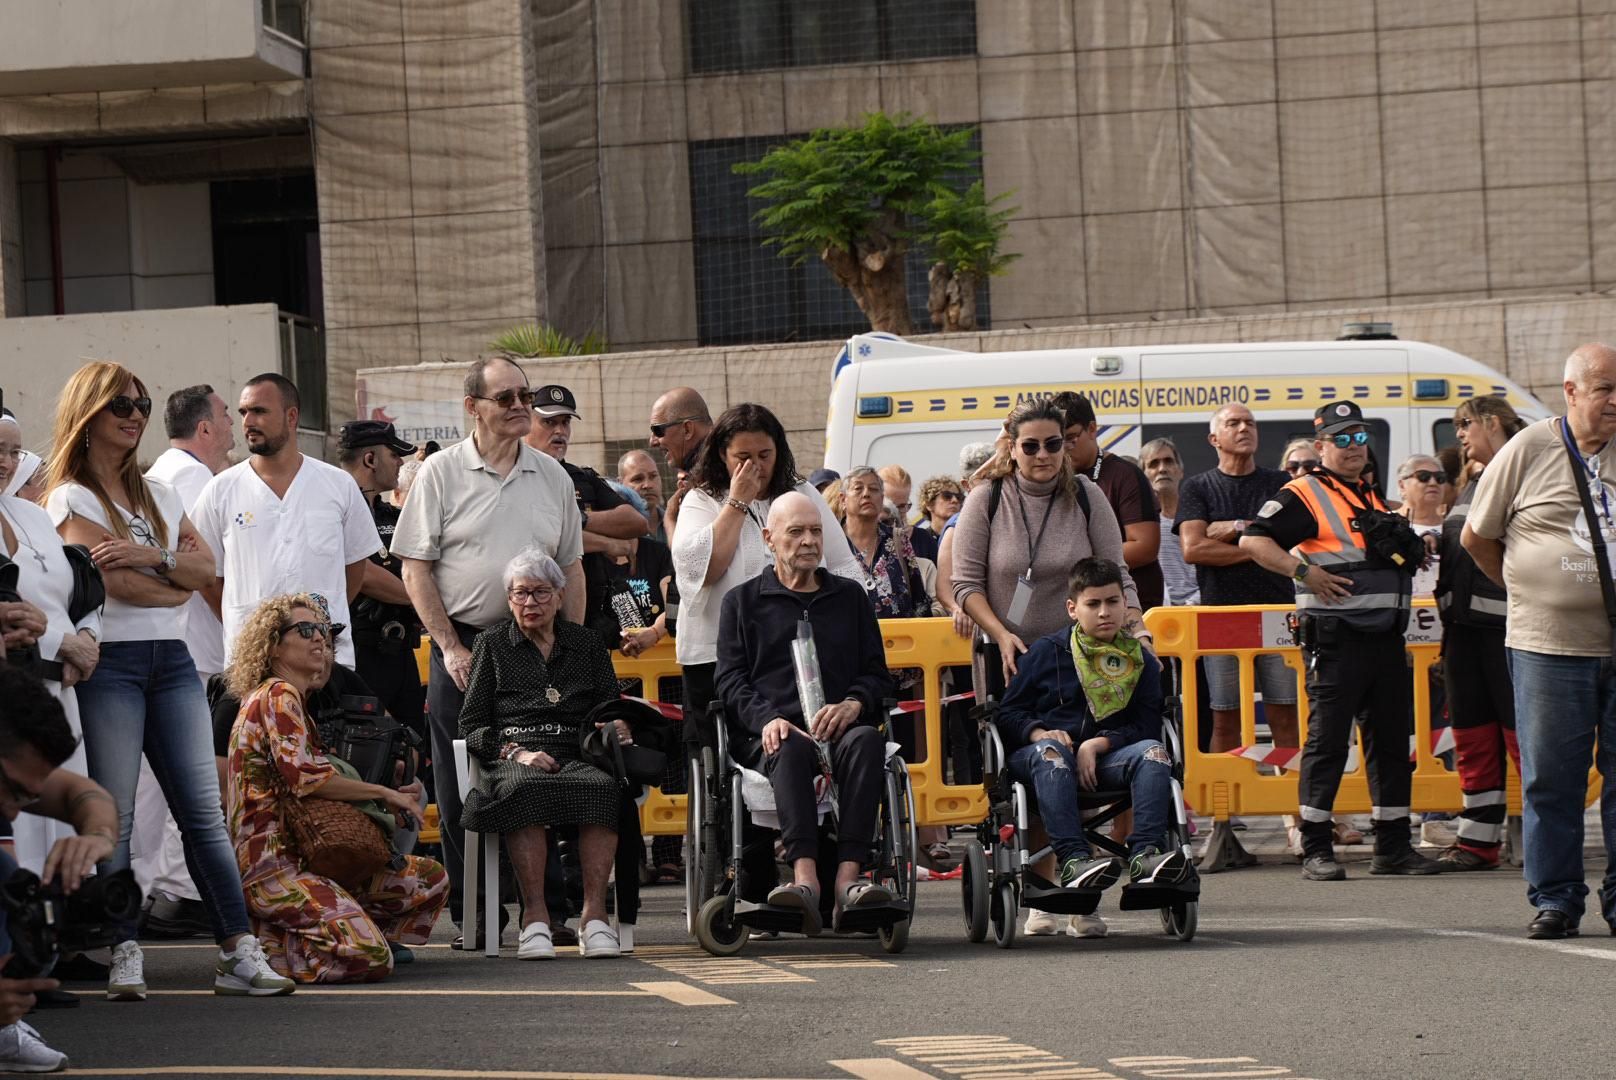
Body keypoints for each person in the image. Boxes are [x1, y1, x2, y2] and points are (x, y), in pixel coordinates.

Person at [44, 361, 289, 1001]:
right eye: (119, 404)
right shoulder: (69, 496)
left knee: (203, 813)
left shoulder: (160, 493)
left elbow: (203, 568)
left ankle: (238, 951)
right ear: (87, 413)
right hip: (113, 666)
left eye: (142, 404)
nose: (134, 415)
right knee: (117, 816)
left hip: (171, 661)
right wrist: (168, 575)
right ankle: (124, 948)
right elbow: (117, 586)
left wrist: (152, 557)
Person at [391, 356, 583, 941]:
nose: (521, 405)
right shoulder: (441, 474)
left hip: (535, 645)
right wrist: (447, 645)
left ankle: (545, 913)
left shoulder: (554, 476)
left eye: (524, 395)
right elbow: (415, 568)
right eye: (507, 397)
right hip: (465, 644)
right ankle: (476, 916)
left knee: (541, 776)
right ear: (473, 408)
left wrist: (566, 649)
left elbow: (571, 568)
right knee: (460, 786)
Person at [1241, 400, 1442, 881]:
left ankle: (1392, 847)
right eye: (1342, 439)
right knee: (1327, 743)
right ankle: (1315, 848)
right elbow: (1253, 540)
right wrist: (1305, 572)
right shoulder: (1306, 492)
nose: (1354, 447)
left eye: (1359, 437)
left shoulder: (1371, 497)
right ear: (1321, 446)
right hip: (1337, 640)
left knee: (1391, 744)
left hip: (1385, 640)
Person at [1464, 344, 1616, 939]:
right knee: (1552, 778)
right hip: (1549, 647)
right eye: (1604, 388)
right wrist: (1530, 591)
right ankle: (1556, 898)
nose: (1614, 400)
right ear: (1570, 391)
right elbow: (1478, 537)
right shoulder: (1529, 449)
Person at [225, 594, 445, 982]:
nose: (320, 641)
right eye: (306, 630)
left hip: (316, 857)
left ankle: (319, 924)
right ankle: (273, 949)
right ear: (273, 643)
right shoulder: (278, 694)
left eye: (325, 633)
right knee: (371, 958)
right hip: (274, 868)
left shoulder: (294, 699)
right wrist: (383, 794)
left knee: (430, 879)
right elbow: (307, 778)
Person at [714, 492, 895, 933]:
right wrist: (765, 719)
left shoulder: (849, 597)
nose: (809, 541)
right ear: (769, 539)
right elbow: (730, 681)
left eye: (815, 530)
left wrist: (853, 703)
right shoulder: (742, 602)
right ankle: (805, 879)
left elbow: (877, 674)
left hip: (839, 726)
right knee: (789, 744)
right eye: (796, 532)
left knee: (868, 739)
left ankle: (848, 881)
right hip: (774, 732)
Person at [459, 550, 625, 959]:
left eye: (539, 593)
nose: (529, 603)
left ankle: (595, 918)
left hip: (576, 751)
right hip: (515, 755)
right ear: (508, 599)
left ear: (559, 595)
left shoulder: (585, 643)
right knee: (525, 788)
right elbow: (470, 725)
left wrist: (617, 725)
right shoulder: (491, 644)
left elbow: (609, 705)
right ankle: (535, 918)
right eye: (519, 594)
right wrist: (515, 752)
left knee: (603, 789)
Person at [996, 557, 1189, 890]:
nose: (1104, 612)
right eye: (1093, 604)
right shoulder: (1046, 652)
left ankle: (1146, 856)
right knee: (1052, 753)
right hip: (1043, 759)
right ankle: (1074, 860)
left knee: (1155, 753)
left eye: (1113, 602)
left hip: (1107, 758)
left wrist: (1101, 743)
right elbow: (1007, 713)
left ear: (1124, 604)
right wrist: (1040, 732)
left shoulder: (1140, 660)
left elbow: (1146, 725)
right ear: (1073, 609)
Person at [671, 403, 860, 739]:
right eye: (742, 457)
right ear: (721, 455)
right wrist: (738, 501)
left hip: (791, 653)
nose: (755, 467)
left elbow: (842, 566)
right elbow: (704, 571)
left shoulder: (801, 493)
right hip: (715, 655)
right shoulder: (701, 500)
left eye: (764, 455)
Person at [192, 373, 381, 675]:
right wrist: (250, 626)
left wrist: (319, 618)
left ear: (291, 416)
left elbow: (354, 566)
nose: (248, 421)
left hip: (326, 660)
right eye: (243, 412)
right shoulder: (220, 490)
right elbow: (208, 577)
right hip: (252, 662)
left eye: (260, 411)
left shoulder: (337, 485)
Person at [135, 386, 236, 937]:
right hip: (195, 647)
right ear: (203, 429)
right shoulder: (198, 481)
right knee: (188, 774)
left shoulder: (163, 475)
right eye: (225, 416)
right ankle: (176, 888)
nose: (232, 426)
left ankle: (151, 886)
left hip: (173, 643)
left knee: (154, 778)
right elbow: (207, 575)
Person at [0, 665, 123, 1072]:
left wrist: (98, 838)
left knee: (18, 890)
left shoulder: (12, 768)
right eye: (16, 792)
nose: (16, 811)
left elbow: (82, 793)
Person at [0, 408, 100, 884]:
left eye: (13, 450)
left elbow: (80, 590)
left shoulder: (32, 515)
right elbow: (13, 609)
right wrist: (64, 644)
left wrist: (88, 639)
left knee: (58, 813)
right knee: (22, 815)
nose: (5, 460)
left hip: (57, 690)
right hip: (15, 689)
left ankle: (61, 942)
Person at [1432, 396, 1526, 872]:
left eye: (1465, 424)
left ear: (1492, 422)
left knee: (1523, 740)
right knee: (1473, 739)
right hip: (1464, 635)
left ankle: (1547, 841)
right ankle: (1477, 843)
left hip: (1510, 633)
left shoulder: (1523, 471)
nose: (1460, 436)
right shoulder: (1472, 484)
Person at [1176, 405, 1301, 756]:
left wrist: (1234, 528)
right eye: (1234, 423)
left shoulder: (1280, 483)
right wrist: (1261, 547)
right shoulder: (1197, 487)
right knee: (1225, 718)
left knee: (1285, 713)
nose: (1244, 428)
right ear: (1214, 438)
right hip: (1221, 616)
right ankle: (1223, 810)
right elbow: (1194, 549)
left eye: (1250, 422)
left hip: (1276, 612)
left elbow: (1289, 537)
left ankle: (1292, 806)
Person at [525, 384, 650, 645]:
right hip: (533, 615)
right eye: (549, 422)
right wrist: (605, 542)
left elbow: (636, 522)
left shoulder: (582, 477)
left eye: (565, 422)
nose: (560, 431)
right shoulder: (516, 478)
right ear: (526, 422)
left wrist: (578, 521)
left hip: (588, 614)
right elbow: (542, 537)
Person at [337, 420, 426, 746]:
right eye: (394, 455)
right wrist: (423, 599)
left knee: (412, 743)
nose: (401, 463)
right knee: (369, 748)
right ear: (370, 460)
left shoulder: (392, 514)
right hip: (361, 652)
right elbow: (364, 576)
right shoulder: (336, 508)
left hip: (401, 650)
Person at [1053, 392, 1163, 611]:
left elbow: (1145, 547)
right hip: (1075, 606)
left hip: (1126, 605)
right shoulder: (1051, 478)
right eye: (1057, 441)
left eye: (1072, 437)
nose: (1064, 447)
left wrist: (1072, 559)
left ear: (1092, 429)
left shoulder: (1125, 475)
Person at [842, 466, 926, 619]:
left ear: (882, 499)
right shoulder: (832, 542)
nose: (866, 494)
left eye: (873, 489)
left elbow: (920, 603)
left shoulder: (898, 540)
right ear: (843, 499)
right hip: (846, 640)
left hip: (897, 640)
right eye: (858, 488)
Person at [935, 442, 994, 624]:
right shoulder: (957, 525)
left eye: (995, 478)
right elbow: (944, 586)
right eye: (983, 478)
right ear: (966, 484)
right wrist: (958, 609)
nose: (991, 485)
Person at [648, 387, 715, 540]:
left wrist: (669, 520)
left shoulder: (724, 473)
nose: (652, 441)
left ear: (687, 429)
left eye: (658, 430)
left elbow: (689, 557)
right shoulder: (705, 475)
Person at [1140, 438, 1198, 605]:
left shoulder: (1198, 518)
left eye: (1168, 461)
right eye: (1153, 464)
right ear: (1143, 475)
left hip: (1200, 609)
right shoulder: (1139, 526)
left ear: (1180, 471)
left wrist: (1193, 604)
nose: (1162, 469)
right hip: (1156, 612)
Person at [1396, 454, 1447, 598]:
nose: (1433, 482)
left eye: (1440, 478)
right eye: (1423, 476)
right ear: (1402, 485)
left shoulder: (1453, 529)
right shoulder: (1386, 525)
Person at [617, 449, 666, 541]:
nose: (648, 485)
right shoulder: (615, 530)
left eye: (653, 476)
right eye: (638, 479)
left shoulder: (678, 522)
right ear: (620, 484)